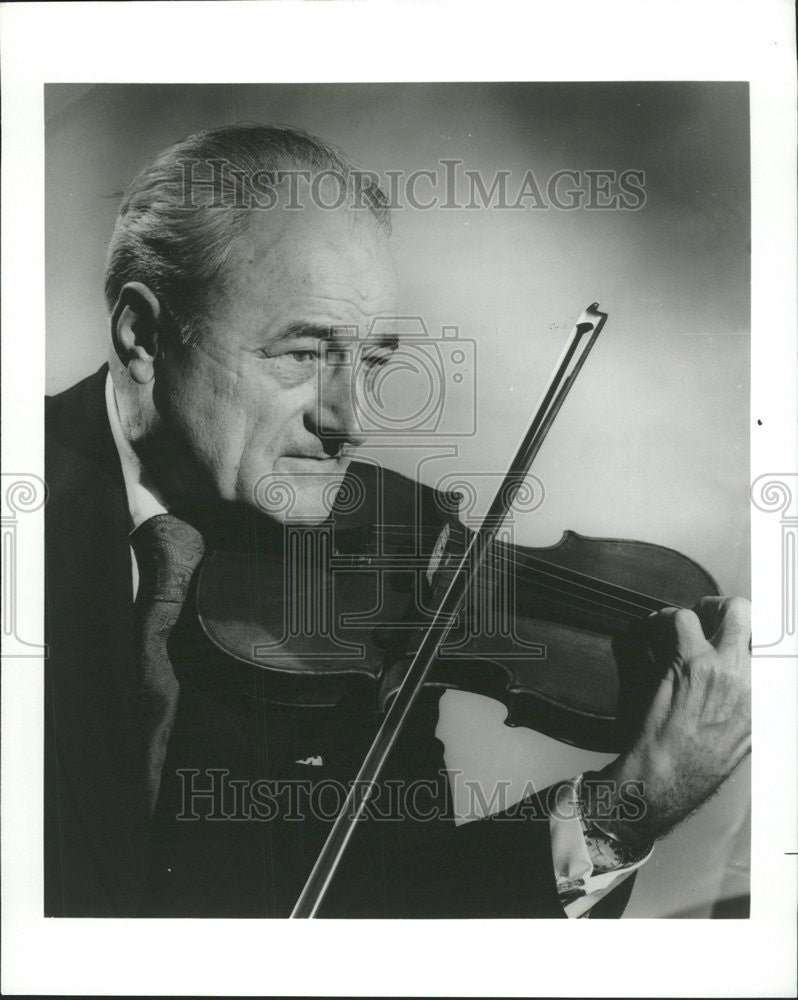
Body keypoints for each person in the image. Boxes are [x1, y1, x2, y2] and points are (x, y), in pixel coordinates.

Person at [44, 124, 751, 919]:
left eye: (372, 360)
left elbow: (392, 905)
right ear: (142, 335)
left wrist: (626, 808)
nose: (352, 422)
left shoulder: (380, 554)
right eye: (303, 355)